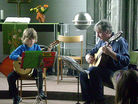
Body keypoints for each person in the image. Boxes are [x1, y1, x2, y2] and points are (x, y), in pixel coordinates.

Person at [80, 20, 130, 104]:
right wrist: (88, 56)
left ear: (107, 32)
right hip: (105, 70)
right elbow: (91, 52)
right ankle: (89, 100)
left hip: (118, 73)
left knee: (93, 70)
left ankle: (99, 101)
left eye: (99, 33)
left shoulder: (120, 41)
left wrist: (111, 54)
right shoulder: (102, 41)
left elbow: (126, 61)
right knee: (83, 73)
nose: (97, 35)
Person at [7, 28, 47, 104]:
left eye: (33, 39)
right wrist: (19, 58)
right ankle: (16, 97)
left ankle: (40, 92)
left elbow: (41, 59)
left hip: (33, 70)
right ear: (24, 39)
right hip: (22, 70)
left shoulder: (36, 47)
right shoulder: (21, 47)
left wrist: (46, 53)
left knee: (39, 71)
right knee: (10, 77)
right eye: (29, 39)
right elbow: (11, 56)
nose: (31, 41)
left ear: (35, 39)